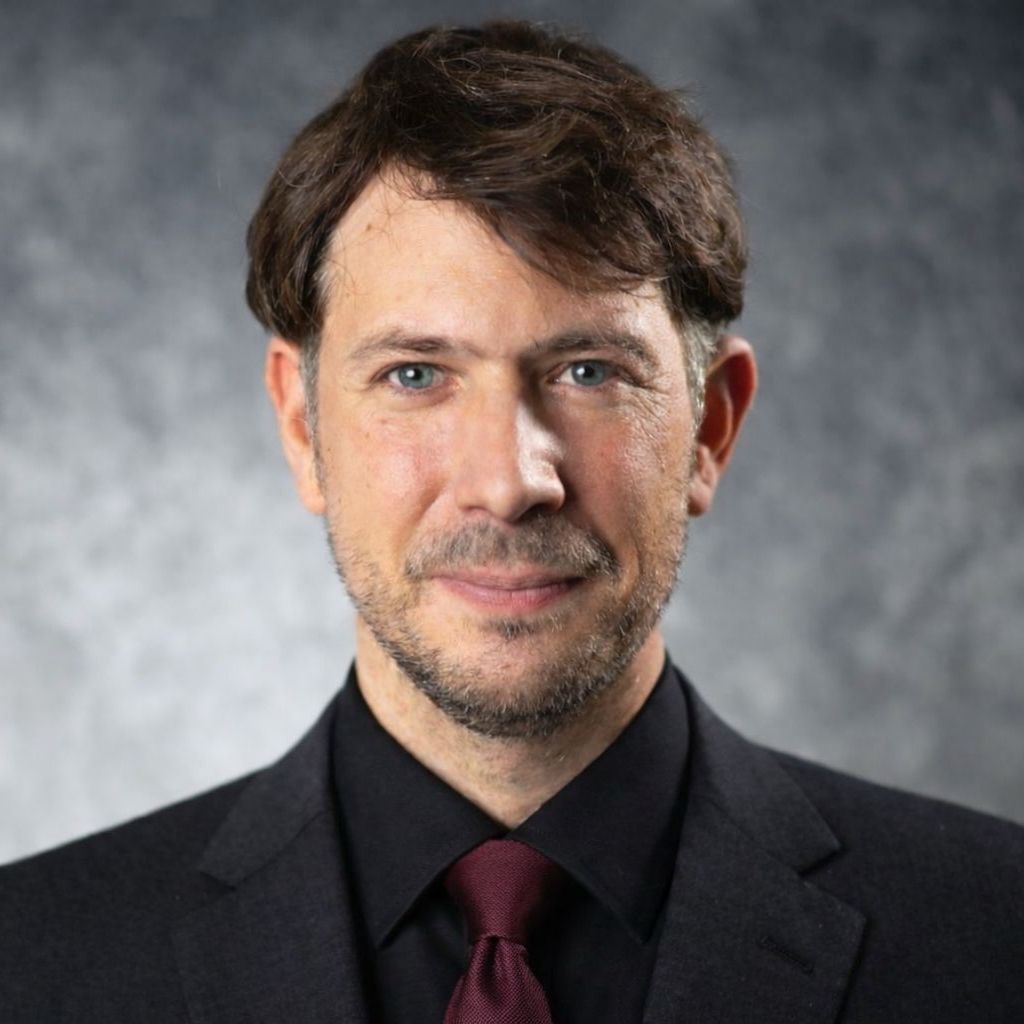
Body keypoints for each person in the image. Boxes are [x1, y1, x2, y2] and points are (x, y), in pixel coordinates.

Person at [1, 19, 1021, 1023]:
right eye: (415, 374)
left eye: (588, 372)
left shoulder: (995, 936)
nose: (508, 482)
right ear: (302, 426)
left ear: (711, 425)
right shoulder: (30, 963)